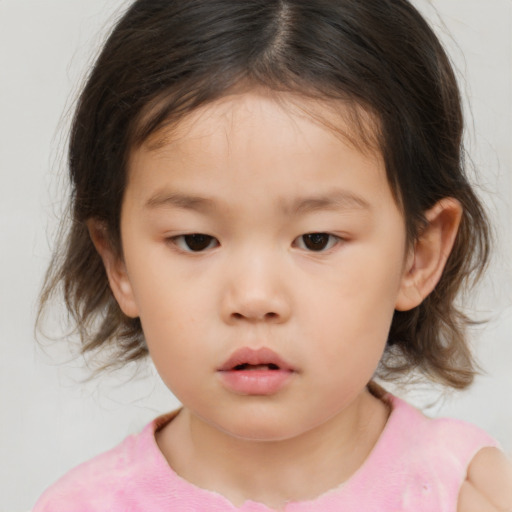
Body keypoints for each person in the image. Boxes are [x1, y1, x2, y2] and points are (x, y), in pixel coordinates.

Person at [33, 0, 512, 510]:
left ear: (419, 253)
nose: (255, 298)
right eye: (196, 241)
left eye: (316, 240)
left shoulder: (468, 494)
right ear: (119, 262)